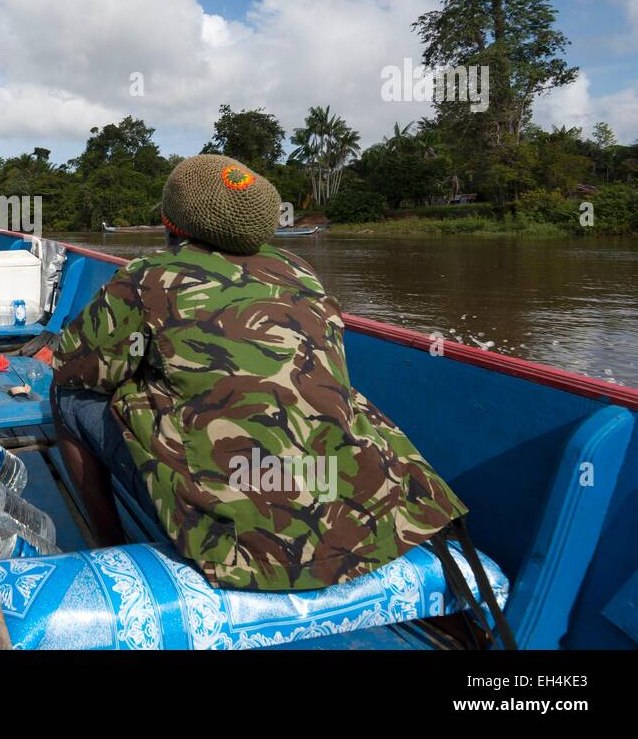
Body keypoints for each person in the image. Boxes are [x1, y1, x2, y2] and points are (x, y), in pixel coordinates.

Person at [50, 154, 467, 592]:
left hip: (238, 542)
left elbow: (77, 369)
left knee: (67, 398)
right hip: (356, 523)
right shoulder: (300, 271)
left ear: (168, 221)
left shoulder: (148, 277)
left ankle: (108, 548)